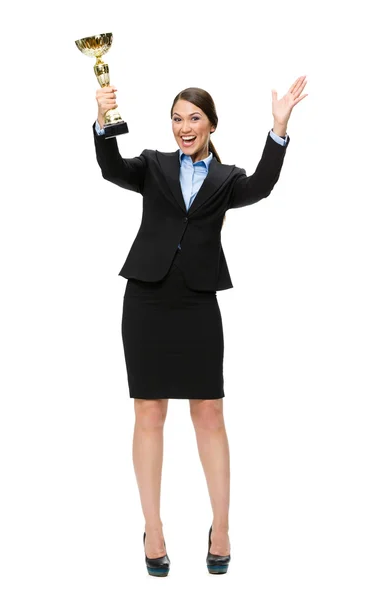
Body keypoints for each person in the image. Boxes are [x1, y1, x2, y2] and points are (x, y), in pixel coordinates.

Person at [92, 76, 308, 576]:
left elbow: (263, 186)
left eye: (193, 118)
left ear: (211, 124)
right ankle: (154, 527)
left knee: (209, 411)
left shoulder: (228, 177)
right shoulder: (153, 164)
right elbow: (110, 168)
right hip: (146, 298)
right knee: (148, 412)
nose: (184, 127)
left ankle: (222, 526)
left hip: (197, 303)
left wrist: (278, 129)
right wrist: (104, 121)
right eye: (176, 118)